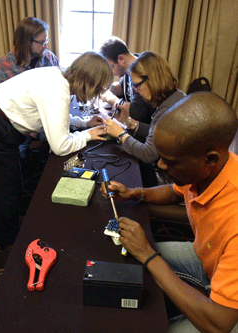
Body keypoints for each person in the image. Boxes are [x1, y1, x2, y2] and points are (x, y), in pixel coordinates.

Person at [100, 92, 238, 332]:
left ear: (209, 159)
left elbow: (219, 324)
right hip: (208, 261)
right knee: (128, 255)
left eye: (171, 162)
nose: (161, 166)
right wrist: (136, 193)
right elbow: (176, 191)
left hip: (226, 317)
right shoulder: (214, 168)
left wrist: (148, 255)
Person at [0, 51, 113, 249]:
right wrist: (88, 135)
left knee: (12, 182)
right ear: (89, 83)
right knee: (6, 187)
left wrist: (84, 123)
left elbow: (55, 117)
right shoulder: (58, 91)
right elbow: (60, 146)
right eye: (97, 89)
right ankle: (8, 241)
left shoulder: (58, 76)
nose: (97, 95)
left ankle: (12, 222)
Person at [104, 51, 186, 186]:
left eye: (137, 85)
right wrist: (131, 124)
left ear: (152, 80)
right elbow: (162, 134)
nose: (135, 90)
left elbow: (148, 154)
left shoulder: (168, 110)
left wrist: (120, 135)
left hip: (169, 181)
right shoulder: (176, 96)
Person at [0, 17, 59, 93]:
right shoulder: (1, 66)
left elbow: (58, 86)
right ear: (26, 42)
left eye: (46, 41)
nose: (46, 47)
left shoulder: (50, 58)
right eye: (42, 43)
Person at [100, 37, 154, 124]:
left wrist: (109, 98)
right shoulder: (130, 65)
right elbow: (122, 87)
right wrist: (107, 89)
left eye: (111, 67)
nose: (112, 73)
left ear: (121, 59)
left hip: (144, 128)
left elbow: (137, 113)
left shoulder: (142, 72)